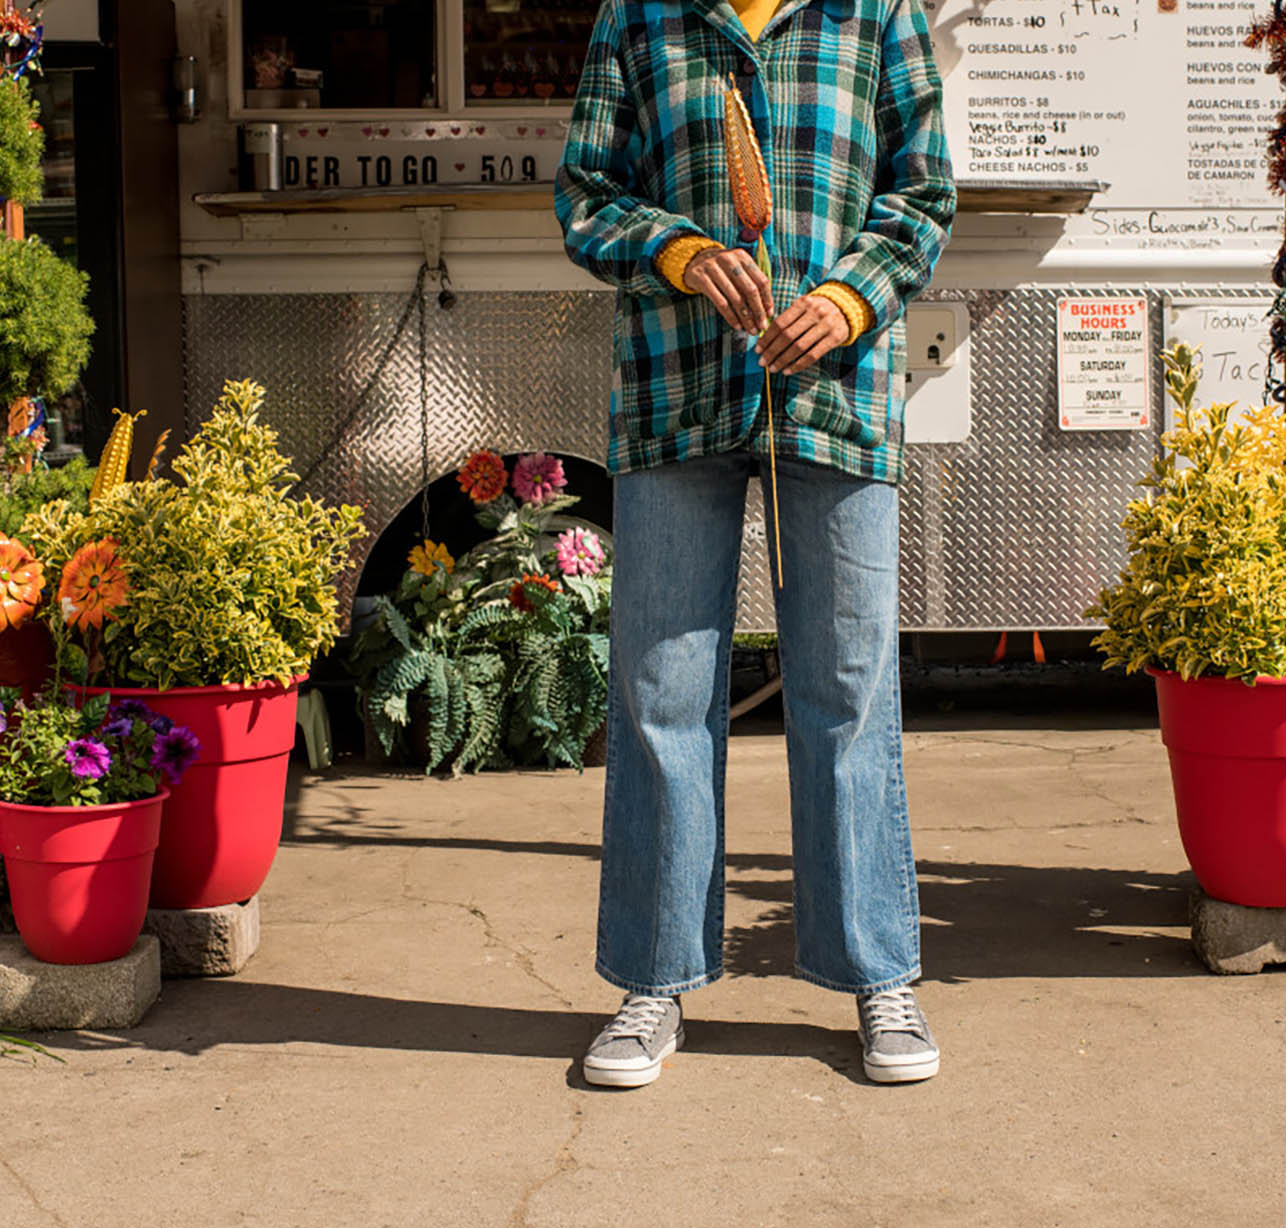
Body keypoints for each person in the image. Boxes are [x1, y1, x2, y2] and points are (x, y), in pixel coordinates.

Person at [554, 0, 954, 1087]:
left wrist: (847, 298)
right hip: (676, 400)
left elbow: (922, 196)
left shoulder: (874, 13)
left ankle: (879, 972)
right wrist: (678, 251)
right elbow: (584, 195)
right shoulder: (637, 16)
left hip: (837, 400)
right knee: (662, 694)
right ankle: (654, 977)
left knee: (847, 691)